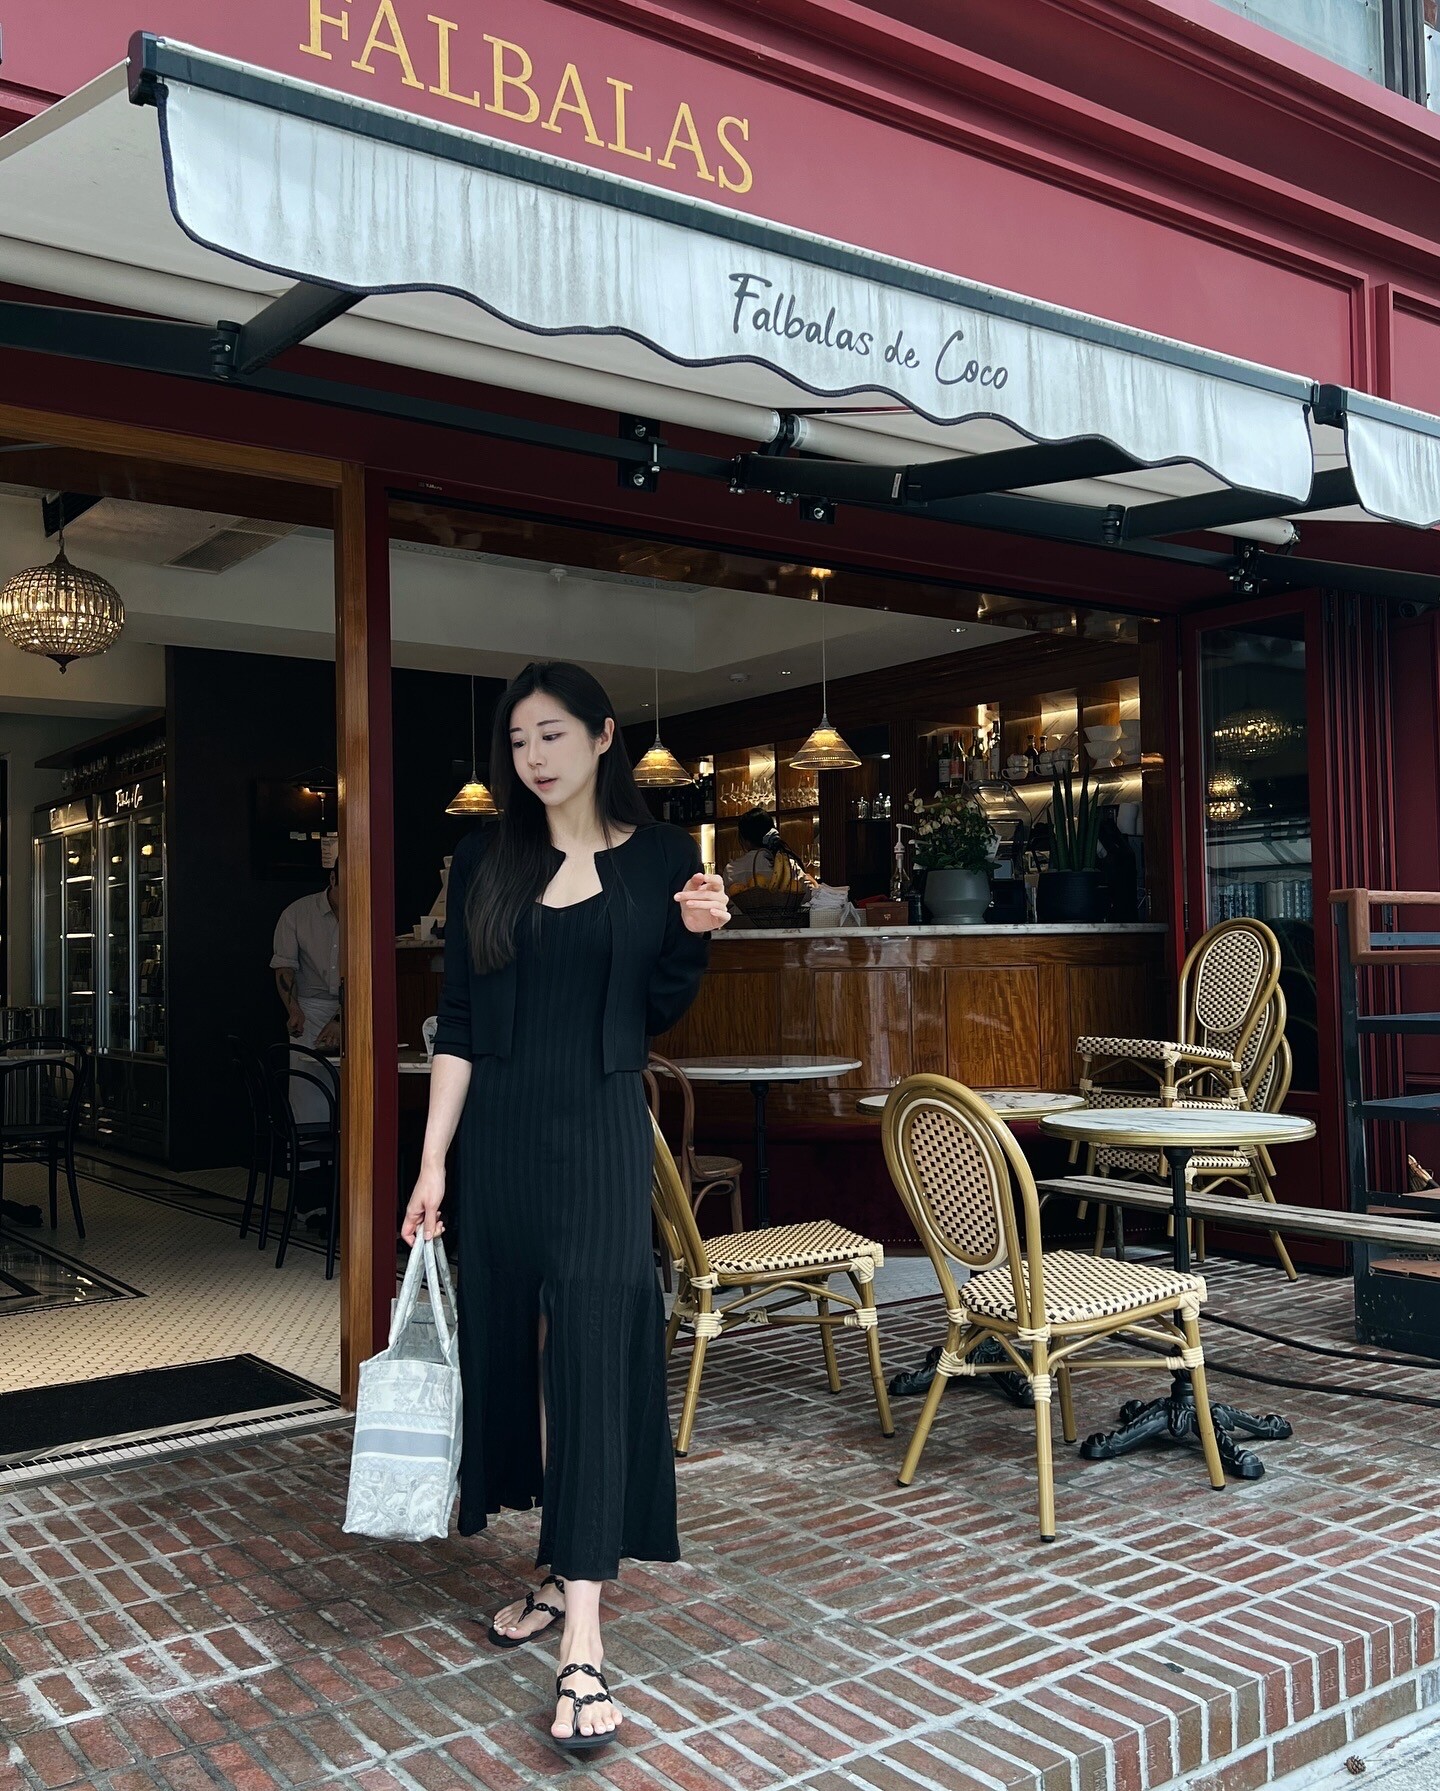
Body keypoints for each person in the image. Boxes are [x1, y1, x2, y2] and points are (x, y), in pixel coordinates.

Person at [402, 661, 730, 1752]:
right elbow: (457, 1023)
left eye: (551, 734)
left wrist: (695, 933)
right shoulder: (483, 859)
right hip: (498, 1143)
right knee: (522, 1354)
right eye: (517, 741)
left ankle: (582, 1635)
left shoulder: (664, 858)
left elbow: (658, 1009)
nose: (533, 757)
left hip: (597, 1134)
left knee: (592, 1350)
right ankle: (555, 1562)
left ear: (601, 736)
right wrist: (433, 1164)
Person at [271, 858, 341, 1130]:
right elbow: (284, 967)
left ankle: (349, 1155)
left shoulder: (367, 910)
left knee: (356, 1089)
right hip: (310, 1009)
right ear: (332, 879)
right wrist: (294, 1010)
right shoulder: (298, 912)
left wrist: (341, 1018)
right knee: (307, 1091)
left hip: (356, 1005)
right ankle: (309, 1154)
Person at [722, 807, 817, 895]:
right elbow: (809, 896)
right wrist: (814, 884)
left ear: (744, 840)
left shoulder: (731, 870)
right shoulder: (789, 866)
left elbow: (727, 903)